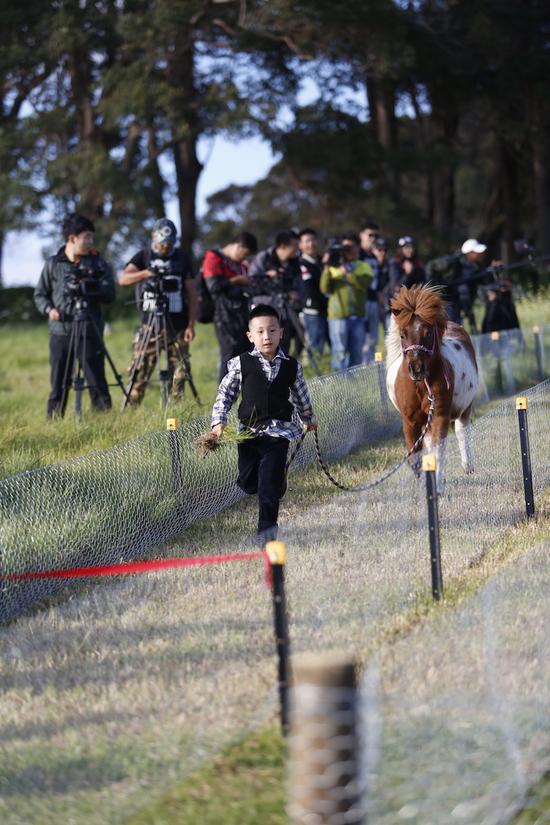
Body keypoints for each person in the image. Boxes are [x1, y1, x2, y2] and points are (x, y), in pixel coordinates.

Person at [210, 304, 317, 544]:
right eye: (260, 332)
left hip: (279, 434)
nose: (266, 336)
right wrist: (218, 422)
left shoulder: (291, 366)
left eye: (271, 330)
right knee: (249, 483)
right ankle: (275, 480)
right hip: (247, 434)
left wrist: (308, 419)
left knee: (268, 487)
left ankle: (267, 536)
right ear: (250, 336)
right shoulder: (241, 363)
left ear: (281, 333)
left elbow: (301, 397)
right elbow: (225, 394)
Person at [34, 213, 116, 417]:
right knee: (59, 383)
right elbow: (40, 294)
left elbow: (110, 294)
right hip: (60, 332)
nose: (90, 241)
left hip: (89, 330)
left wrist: (90, 287)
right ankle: (54, 423)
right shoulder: (54, 264)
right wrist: (49, 310)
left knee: (97, 381)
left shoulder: (98, 264)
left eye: (91, 237)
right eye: (87, 237)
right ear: (72, 238)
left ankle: (105, 422)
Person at [119, 218, 197, 404]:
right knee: (140, 369)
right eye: (163, 244)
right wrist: (146, 274)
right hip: (149, 325)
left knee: (180, 371)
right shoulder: (144, 255)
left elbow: (193, 293)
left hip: (177, 325)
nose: (166, 248)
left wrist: (191, 324)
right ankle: (130, 408)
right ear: (154, 238)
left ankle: (176, 411)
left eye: (170, 244)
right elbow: (123, 279)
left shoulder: (182, 257)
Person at [202, 231, 258, 381]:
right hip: (224, 316)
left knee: (248, 353)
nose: (244, 258)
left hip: (242, 313)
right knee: (230, 356)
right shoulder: (214, 257)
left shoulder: (241, 265)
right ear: (239, 247)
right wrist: (236, 280)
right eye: (244, 254)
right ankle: (224, 400)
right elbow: (213, 286)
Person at [320, 232, 373, 371]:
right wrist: (326, 266)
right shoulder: (333, 267)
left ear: (358, 248)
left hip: (358, 317)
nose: (348, 250)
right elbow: (325, 288)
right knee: (339, 353)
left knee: (356, 354)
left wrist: (348, 274)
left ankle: (353, 386)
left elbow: (365, 283)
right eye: (345, 247)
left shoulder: (363, 266)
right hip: (338, 317)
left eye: (351, 247)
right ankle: (339, 385)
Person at [248, 231, 303, 354]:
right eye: (294, 245)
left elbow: (298, 285)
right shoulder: (264, 258)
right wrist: (269, 278)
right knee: (265, 349)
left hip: (287, 312)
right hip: (266, 311)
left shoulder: (294, 263)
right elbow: (252, 284)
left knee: (285, 346)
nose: (297, 249)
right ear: (283, 246)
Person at [426, 238, 488, 330]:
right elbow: (430, 266)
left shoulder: (476, 267)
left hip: (461, 301)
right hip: (447, 300)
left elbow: (484, 281)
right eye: (476, 252)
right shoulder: (452, 261)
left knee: (459, 327)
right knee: (451, 327)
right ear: (469, 253)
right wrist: (434, 289)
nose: (480, 254)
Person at [297, 227, 327, 355]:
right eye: (307, 241)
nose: (311, 244)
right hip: (312, 312)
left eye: (313, 240)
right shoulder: (300, 264)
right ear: (300, 245)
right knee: (315, 348)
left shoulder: (321, 262)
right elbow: (309, 289)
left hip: (325, 310)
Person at [364, 236, 392, 363]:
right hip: (372, 304)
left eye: (384, 250)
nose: (382, 253)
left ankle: (390, 362)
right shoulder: (369, 264)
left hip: (386, 307)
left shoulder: (389, 265)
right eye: (379, 249)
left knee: (390, 338)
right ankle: (369, 364)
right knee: (371, 339)